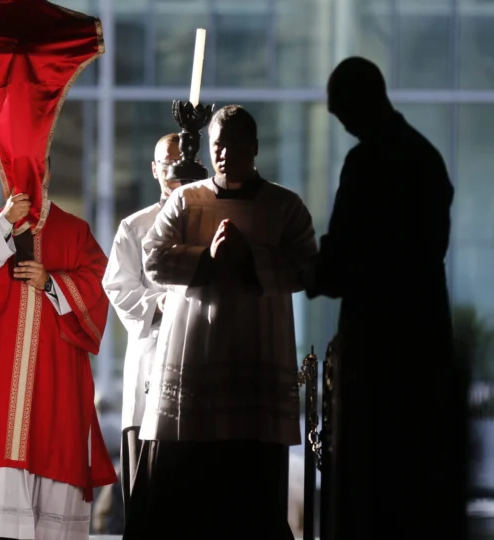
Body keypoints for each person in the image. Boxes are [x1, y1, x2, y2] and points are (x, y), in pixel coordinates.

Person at [125, 105, 317, 540]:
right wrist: (207, 258)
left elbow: (307, 268)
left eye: (233, 144)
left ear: (254, 146)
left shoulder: (283, 206)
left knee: (250, 490)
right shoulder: (185, 200)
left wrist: (251, 259)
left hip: (257, 353)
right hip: (195, 356)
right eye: (217, 145)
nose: (224, 154)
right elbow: (153, 261)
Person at [305, 57, 467, 540]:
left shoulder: (368, 161)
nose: (342, 122)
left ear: (360, 100)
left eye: (341, 111)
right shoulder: (425, 156)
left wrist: (307, 272)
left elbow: (346, 250)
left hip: (377, 344)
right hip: (424, 336)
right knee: (416, 484)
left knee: (369, 482)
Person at [0, 192, 117, 540]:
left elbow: (100, 284)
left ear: (47, 173)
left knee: (56, 460)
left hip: (57, 378)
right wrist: (4, 225)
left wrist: (51, 283)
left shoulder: (74, 232)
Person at [102, 132, 181, 510]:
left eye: (180, 161)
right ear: (154, 169)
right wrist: (160, 302)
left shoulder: (213, 217)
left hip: (197, 361)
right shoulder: (135, 226)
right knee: (147, 492)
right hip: (152, 354)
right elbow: (117, 287)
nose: (173, 169)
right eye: (166, 162)